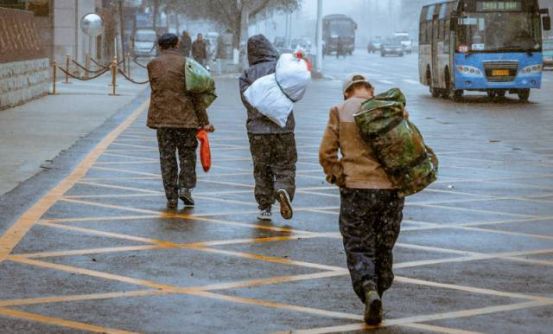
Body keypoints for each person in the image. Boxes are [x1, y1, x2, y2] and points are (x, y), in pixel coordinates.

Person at [319, 74, 406, 326]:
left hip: (356, 189)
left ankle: (368, 287)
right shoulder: (392, 109)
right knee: (383, 243)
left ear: (347, 93)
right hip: (391, 191)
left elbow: (326, 152)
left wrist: (337, 176)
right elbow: (408, 146)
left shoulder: (340, 109)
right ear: (371, 90)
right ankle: (381, 286)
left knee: (358, 242)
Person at [147, 33, 215, 209]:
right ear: (177, 45)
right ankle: (185, 187)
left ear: (160, 46)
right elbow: (196, 96)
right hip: (186, 120)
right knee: (187, 156)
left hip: (162, 120)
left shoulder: (152, 65)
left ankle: (171, 196)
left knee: (167, 158)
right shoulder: (187, 64)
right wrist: (204, 121)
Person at [239, 34, 297, 221]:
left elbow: (247, 100)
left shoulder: (247, 74)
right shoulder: (281, 69)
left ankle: (264, 207)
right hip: (283, 128)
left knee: (261, 167)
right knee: (285, 165)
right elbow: (294, 91)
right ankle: (283, 188)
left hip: (257, 131)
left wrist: (262, 112)